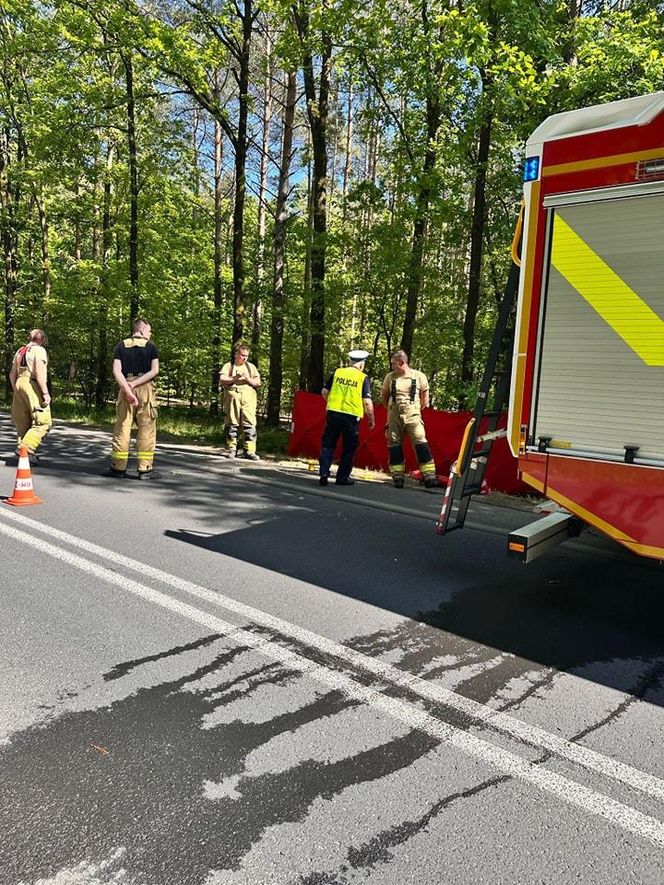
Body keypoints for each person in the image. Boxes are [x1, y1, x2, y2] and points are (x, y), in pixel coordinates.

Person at [106, 317, 159, 479]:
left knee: (122, 427)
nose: (150, 334)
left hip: (125, 387)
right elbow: (154, 371)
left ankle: (118, 467)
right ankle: (145, 469)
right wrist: (136, 383)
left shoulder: (121, 345)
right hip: (145, 388)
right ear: (142, 330)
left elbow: (116, 371)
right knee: (146, 428)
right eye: (149, 331)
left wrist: (128, 388)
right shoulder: (151, 347)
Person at [380, 349, 438, 489]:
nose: (392, 366)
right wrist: (391, 410)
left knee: (420, 441)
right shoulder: (390, 377)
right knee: (394, 443)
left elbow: (425, 397)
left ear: (402, 362)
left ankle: (429, 476)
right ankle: (398, 476)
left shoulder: (419, 376)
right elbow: (384, 396)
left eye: (394, 363)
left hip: (413, 415)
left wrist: (416, 409)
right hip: (394, 415)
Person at [319, 349, 375, 487]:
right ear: (361, 364)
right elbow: (367, 401)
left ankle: (324, 473)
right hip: (351, 417)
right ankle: (342, 477)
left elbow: (324, 391)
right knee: (349, 447)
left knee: (328, 444)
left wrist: (331, 403)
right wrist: (371, 419)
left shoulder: (337, 372)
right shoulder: (362, 378)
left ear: (350, 361)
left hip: (333, 414)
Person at [9, 329, 52, 458]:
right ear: (42, 340)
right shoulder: (39, 350)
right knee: (42, 421)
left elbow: (12, 374)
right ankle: (27, 449)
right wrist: (45, 393)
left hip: (19, 383)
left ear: (29, 338)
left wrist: (16, 390)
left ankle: (23, 454)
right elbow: (39, 373)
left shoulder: (20, 351)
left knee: (23, 423)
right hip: (31, 384)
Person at [219, 343, 261, 460]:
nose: (244, 358)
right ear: (236, 354)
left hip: (248, 399)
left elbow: (258, 382)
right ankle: (232, 449)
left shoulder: (251, 367)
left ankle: (250, 451)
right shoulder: (229, 366)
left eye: (246, 356)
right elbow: (222, 380)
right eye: (242, 355)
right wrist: (235, 378)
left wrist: (247, 378)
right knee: (232, 423)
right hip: (232, 398)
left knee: (249, 424)